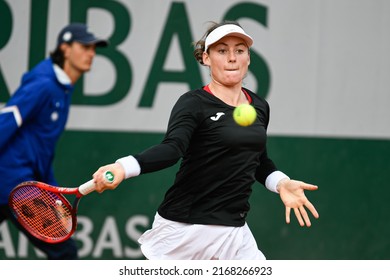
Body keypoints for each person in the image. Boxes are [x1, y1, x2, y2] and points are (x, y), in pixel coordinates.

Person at [92, 21, 319, 260]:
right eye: (222, 51)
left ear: (248, 58)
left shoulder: (260, 106)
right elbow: (172, 149)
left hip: (235, 232)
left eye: (239, 50)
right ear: (205, 58)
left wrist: (281, 183)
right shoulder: (193, 103)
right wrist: (122, 167)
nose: (232, 58)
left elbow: (259, 162)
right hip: (186, 230)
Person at [0, 23, 108, 259]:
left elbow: (43, 149)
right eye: (85, 47)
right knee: (65, 255)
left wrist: (54, 198)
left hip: (14, 180)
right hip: (14, 182)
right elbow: (6, 122)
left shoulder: (62, 88)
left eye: (93, 48)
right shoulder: (44, 84)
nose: (91, 53)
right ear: (65, 48)